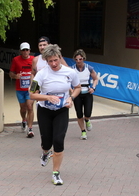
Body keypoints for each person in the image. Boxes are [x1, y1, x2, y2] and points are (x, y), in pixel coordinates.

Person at [30, 44, 81, 185]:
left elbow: (77, 87)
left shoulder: (70, 72)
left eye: (55, 60)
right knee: (46, 142)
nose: (53, 63)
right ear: (46, 60)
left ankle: (56, 173)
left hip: (61, 110)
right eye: (50, 61)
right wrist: (47, 98)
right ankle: (46, 152)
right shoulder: (41, 74)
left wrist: (71, 98)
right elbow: (32, 94)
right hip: (45, 111)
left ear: (60, 57)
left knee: (58, 140)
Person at [71, 49, 99, 140]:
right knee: (79, 114)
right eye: (76, 59)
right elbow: (67, 81)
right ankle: (83, 131)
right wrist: (71, 90)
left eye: (80, 59)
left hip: (87, 93)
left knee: (87, 113)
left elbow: (95, 79)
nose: (78, 61)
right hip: (77, 93)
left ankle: (87, 120)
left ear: (83, 58)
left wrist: (93, 88)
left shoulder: (89, 68)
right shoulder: (72, 69)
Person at [9, 42, 35, 138]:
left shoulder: (33, 60)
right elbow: (11, 73)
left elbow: (38, 72)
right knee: (23, 108)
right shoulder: (16, 60)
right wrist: (16, 76)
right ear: (20, 51)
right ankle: (24, 119)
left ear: (29, 51)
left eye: (27, 50)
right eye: (23, 50)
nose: (25, 52)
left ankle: (30, 128)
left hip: (30, 88)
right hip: (20, 88)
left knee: (30, 107)